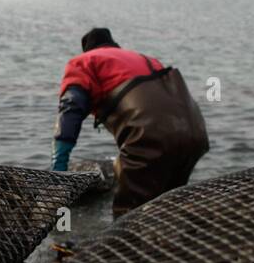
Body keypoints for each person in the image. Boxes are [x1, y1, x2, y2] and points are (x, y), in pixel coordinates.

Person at [51, 27, 209, 216]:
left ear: (88, 49)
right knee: (168, 205)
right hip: (194, 133)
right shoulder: (145, 58)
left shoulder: (85, 62)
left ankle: (125, 243)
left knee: (128, 213)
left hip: (150, 137)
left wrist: (59, 165)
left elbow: (71, 107)